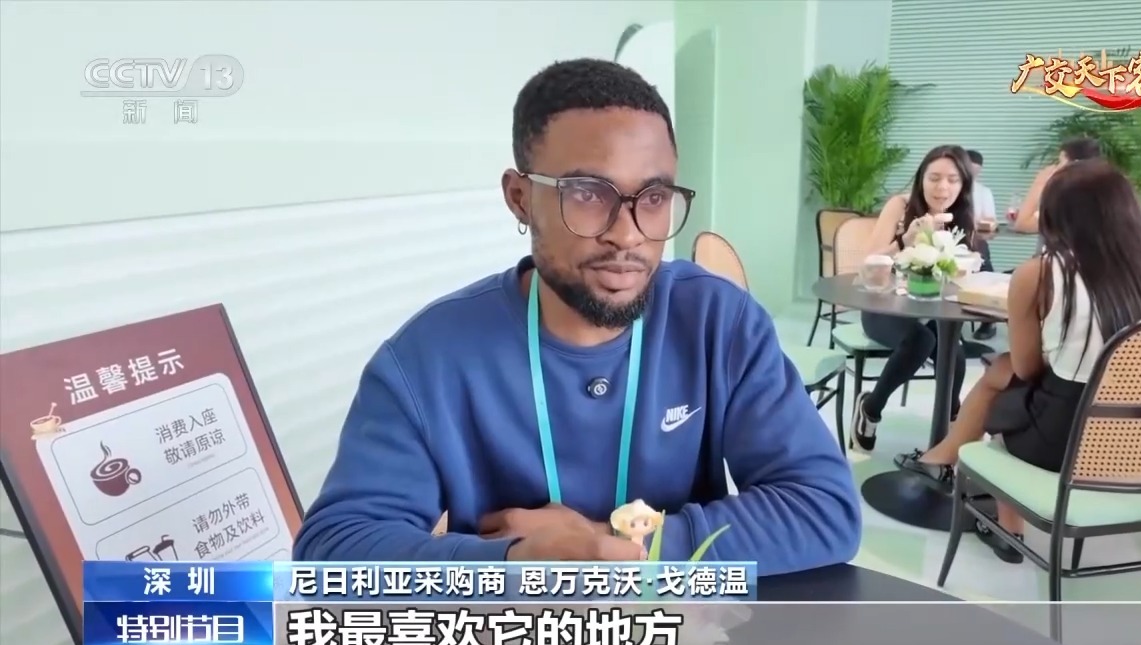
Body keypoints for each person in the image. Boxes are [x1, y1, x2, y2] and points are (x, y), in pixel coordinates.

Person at [293, 58, 862, 576]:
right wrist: (514, 563)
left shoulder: (719, 322)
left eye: (654, 197)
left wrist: (606, 545)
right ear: (520, 197)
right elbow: (333, 549)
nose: (628, 235)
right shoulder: (428, 358)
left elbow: (824, 509)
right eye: (588, 193)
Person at [894, 159, 1141, 563]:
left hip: (1067, 442)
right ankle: (941, 458)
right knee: (1001, 371)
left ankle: (1007, 528)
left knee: (1007, 390)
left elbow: (1027, 368)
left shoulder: (1042, 272)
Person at [852, 145, 977, 451]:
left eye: (952, 180)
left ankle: (947, 432)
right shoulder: (900, 206)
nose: (942, 187)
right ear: (921, 179)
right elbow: (867, 263)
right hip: (882, 306)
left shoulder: (960, 217)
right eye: (934, 178)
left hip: (931, 307)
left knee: (955, 353)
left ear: (963, 185)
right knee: (922, 340)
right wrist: (904, 240)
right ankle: (870, 409)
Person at [1011, 137, 1102, 234]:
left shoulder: (1068, 205)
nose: (1055, 168)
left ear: (1071, 164)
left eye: (1059, 162)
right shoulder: (1104, 195)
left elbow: (1022, 224)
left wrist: (1040, 183)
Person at [965, 149, 999, 341]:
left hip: (975, 238)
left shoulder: (983, 192)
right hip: (948, 237)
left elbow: (990, 220)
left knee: (984, 265)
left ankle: (989, 320)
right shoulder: (947, 188)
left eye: (976, 171)